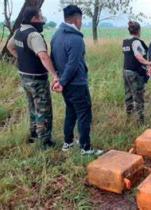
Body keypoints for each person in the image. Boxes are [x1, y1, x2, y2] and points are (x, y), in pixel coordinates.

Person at [50, 5, 102, 155]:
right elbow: (72, 64)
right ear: (76, 19)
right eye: (81, 19)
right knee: (84, 113)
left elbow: (53, 58)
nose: (81, 23)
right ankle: (86, 148)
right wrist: (62, 81)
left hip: (65, 84)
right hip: (76, 83)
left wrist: (58, 79)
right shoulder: (76, 38)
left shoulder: (56, 36)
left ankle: (68, 143)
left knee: (71, 112)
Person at [7, 7, 59, 149]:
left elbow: (9, 46)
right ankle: (45, 142)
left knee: (32, 107)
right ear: (35, 19)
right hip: (37, 79)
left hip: (24, 77)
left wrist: (23, 59)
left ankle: (34, 134)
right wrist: (54, 75)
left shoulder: (19, 32)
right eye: (41, 17)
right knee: (43, 109)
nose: (42, 20)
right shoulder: (34, 35)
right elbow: (43, 56)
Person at [122, 21, 151, 124]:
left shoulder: (125, 42)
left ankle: (128, 117)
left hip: (125, 71)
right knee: (138, 96)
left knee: (128, 95)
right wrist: (148, 63)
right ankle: (140, 121)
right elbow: (138, 56)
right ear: (139, 30)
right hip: (134, 73)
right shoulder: (136, 42)